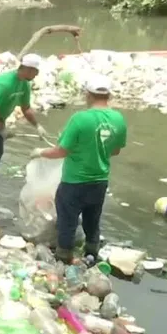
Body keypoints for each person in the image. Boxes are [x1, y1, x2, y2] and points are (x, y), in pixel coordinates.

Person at [30, 74, 127, 264]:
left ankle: (64, 258)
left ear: (88, 95)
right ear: (109, 96)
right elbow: (115, 151)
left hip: (74, 181)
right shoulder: (118, 119)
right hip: (100, 181)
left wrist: (40, 152)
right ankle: (92, 253)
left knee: (67, 221)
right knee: (93, 219)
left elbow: (61, 151)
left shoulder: (80, 119)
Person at [0, 54, 47, 186]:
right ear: (28, 69)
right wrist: (2, 129)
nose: (36, 75)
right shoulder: (4, 84)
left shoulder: (24, 85)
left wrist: (38, 126)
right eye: (36, 72)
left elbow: (26, 108)